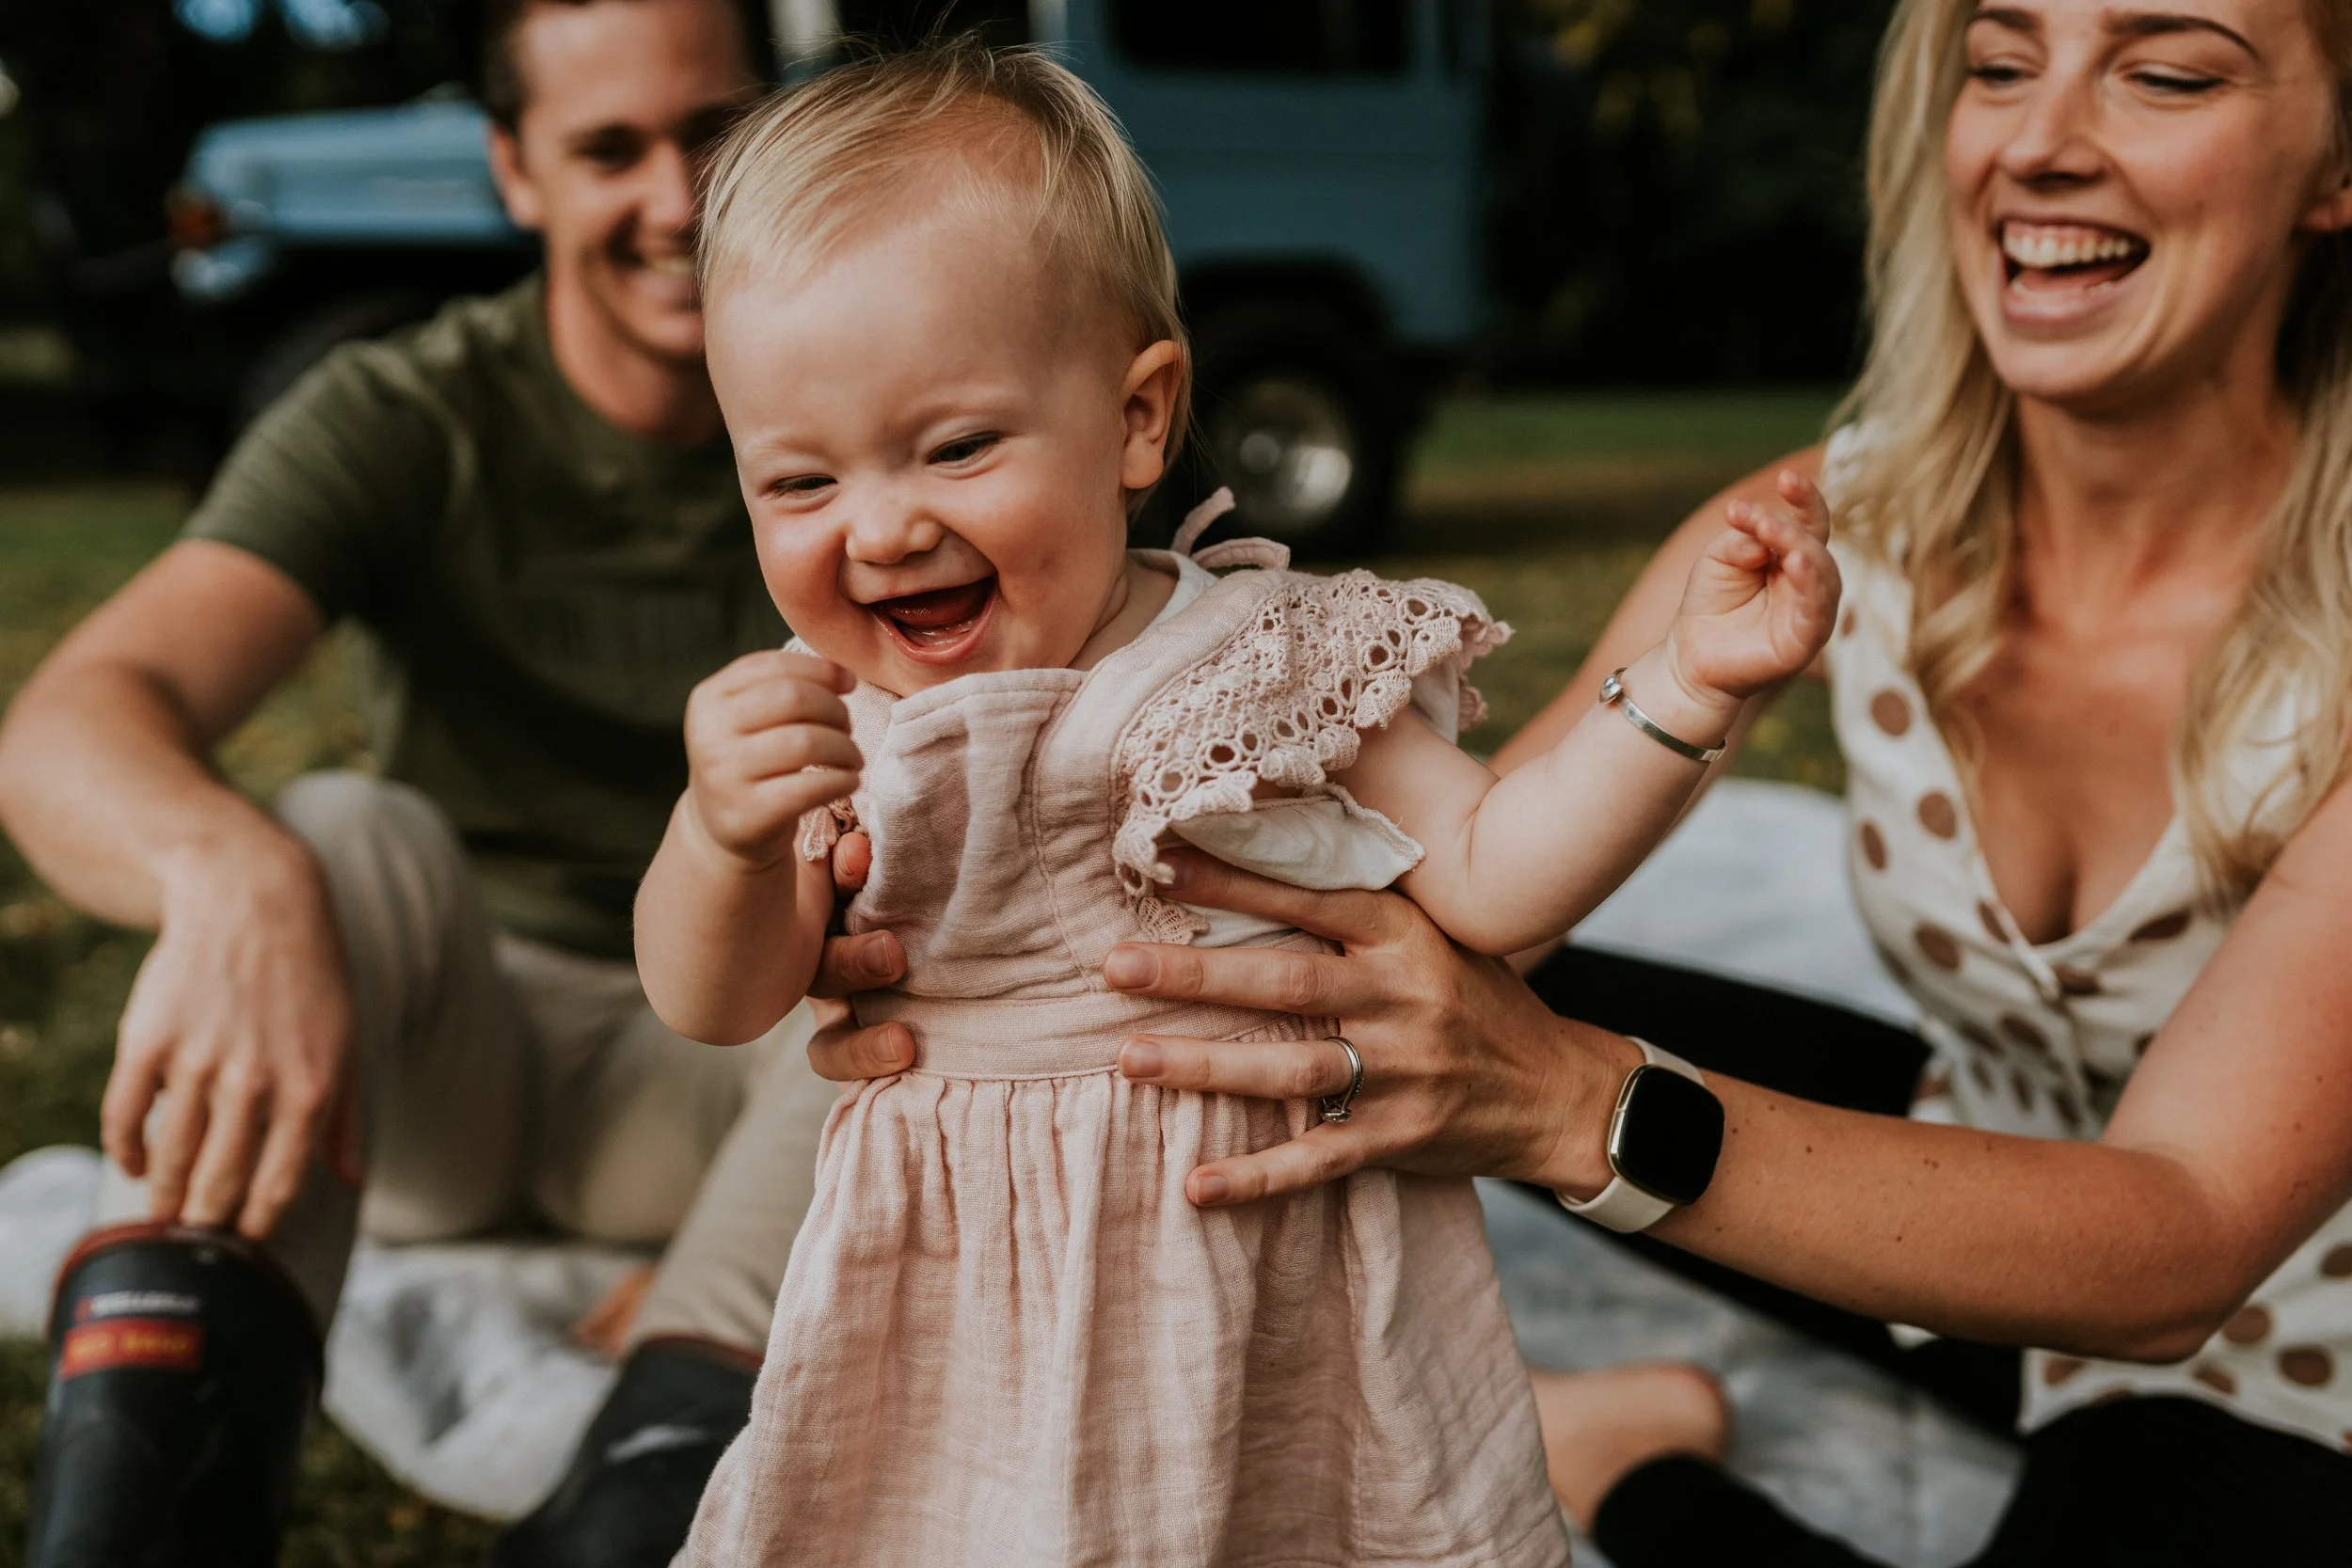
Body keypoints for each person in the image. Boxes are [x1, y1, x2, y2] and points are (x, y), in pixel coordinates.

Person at [806, 0, 2352, 1561]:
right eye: (1999, 66)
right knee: (1377, 994)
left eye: (2165, 72)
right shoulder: (1829, 524)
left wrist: (1571, 1108)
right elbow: (1467, 897)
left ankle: (1608, 1465)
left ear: (2339, 157)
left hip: (2283, 1336)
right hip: (1992, 1156)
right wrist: (1043, 1010)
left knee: (1514, 1059)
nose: (2040, 142)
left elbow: (2185, 1245)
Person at [641, 42, 1840, 1566]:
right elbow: (718, 995)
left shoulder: (1263, 659)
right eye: (798, 485)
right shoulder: (832, 717)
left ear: (1141, 418)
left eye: (955, 447)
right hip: (952, 1297)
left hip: (1264, 1268)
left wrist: (1686, 692)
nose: (882, 526)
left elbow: (1492, 871)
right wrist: (718, 836)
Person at [0, 0, 895, 1560]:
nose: (676, 201)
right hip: (447, 1067)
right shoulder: (407, 413)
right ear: (515, 172)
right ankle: (142, 1512)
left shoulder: (906, 418)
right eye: (608, 148)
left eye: (713, 133)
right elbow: (78, 715)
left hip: (758, 1059)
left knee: (909, 925)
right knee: (331, 827)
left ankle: (651, 1477)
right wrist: (233, 877)